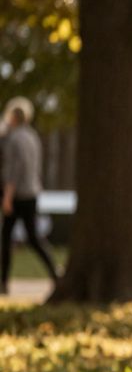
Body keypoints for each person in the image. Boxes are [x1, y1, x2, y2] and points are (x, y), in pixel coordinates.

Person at [1, 97, 59, 294]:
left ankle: (3, 283)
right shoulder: (32, 136)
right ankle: (55, 273)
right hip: (32, 193)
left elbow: (14, 169)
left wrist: (7, 195)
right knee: (33, 238)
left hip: (17, 195)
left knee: (6, 239)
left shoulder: (14, 138)